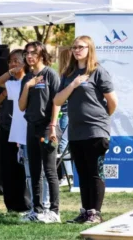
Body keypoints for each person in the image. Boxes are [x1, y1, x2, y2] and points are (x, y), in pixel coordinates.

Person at [54, 35, 118, 224]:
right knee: (82, 173)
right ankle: (85, 212)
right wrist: (73, 85)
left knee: (94, 172)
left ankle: (95, 213)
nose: (76, 50)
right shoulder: (68, 74)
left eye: (80, 47)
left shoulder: (98, 71)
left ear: (89, 49)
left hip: (96, 130)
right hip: (76, 131)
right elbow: (57, 100)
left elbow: (112, 101)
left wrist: (102, 119)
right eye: (74, 47)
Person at [19, 41, 61, 223]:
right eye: (27, 53)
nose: (29, 56)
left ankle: (54, 211)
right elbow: (21, 106)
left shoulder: (50, 74)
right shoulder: (26, 78)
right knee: (35, 170)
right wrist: (28, 86)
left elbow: (57, 102)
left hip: (47, 128)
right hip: (31, 127)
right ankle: (36, 210)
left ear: (42, 55)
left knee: (50, 170)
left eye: (33, 53)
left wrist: (53, 126)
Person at [0, 49, 32, 213]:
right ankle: (11, 204)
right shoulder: (6, 83)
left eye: (17, 61)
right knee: (8, 168)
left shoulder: (29, 81)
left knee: (23, 167)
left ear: (25, 63)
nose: (13, 64)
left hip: (25, 130)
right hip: (7, 128)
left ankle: (27, 203)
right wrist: (3, 95)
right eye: (10, 61)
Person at [57, 48, 73, 186]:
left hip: (67, 114)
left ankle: (69, 176)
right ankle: (68, 175)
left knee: (63, 144)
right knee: (64, 144)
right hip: (65, 113)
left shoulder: (67, 76)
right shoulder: (65, 76)